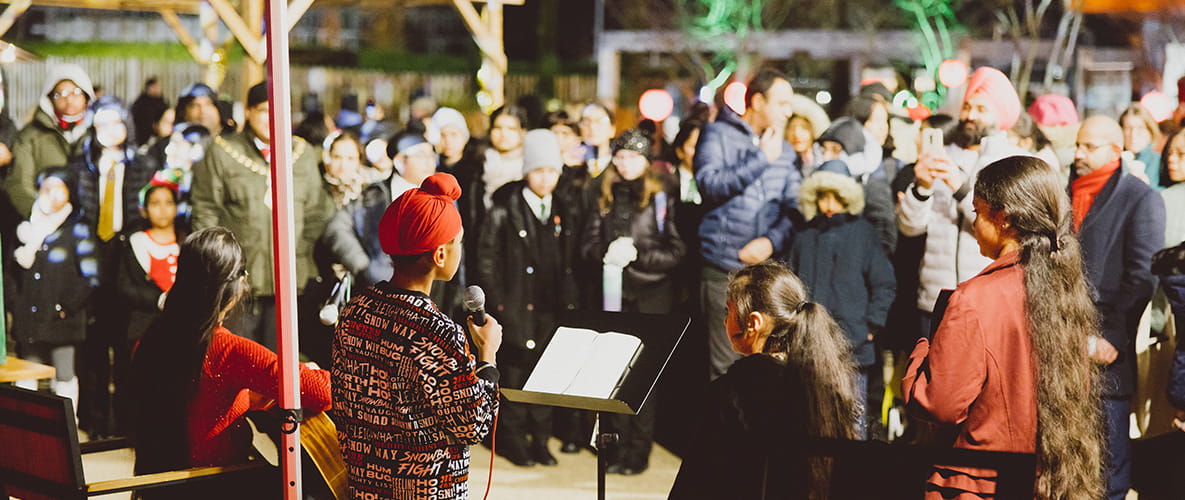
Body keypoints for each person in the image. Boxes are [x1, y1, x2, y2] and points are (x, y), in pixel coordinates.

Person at [904, 155, 1104, 499]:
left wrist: (921, 354)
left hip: (975, 484)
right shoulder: (1065, 289)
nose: (974, 221)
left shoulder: (974, 299)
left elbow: (940, 404)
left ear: (1005, 220)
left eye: (979, 212)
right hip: (1045, 481)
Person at [332, 173, 502, 500]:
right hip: (425, 491)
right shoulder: (434, 330)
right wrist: (487, 356)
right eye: (459, 242)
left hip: (365, 486)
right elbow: (473, 425)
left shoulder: (356, 310)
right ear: (439, 255)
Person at [130, 227, 332, 500]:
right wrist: (310, 371)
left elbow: (193, 402)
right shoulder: (226, 350)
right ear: (235, 285)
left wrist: (246, 397)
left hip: (159, 489)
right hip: (212, 485)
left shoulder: (150, 340)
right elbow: (323, 391)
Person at [669, 261, 860, 500]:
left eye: (728, 312)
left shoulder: (733, 391)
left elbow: (697, 482)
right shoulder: (831, 380)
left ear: (753, 323)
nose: (725, 321)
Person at [190, 81, 334, 350]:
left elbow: (317, 211)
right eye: (264, 111)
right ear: (247, 112)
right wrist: (222, 265)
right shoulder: (222, 152)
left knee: (284, 364)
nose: (272, 119)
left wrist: (298, 251)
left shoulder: (302, 154)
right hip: (238, 283)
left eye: (280, 110)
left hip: (292, 281)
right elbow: (205, 210)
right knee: (240, 361)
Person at [1069, 116, 1165, 500]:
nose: (1077, 154)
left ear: (1113, 150)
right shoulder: (1067, 192)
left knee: (1109, 468)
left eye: (1088, 147)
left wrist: (1112, 336)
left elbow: (1143, 276)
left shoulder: (1140, 197)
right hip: (1063, 343)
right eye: (1077, 145)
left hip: (1108, 351)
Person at [897, 67, 1030, 340]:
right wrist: (921, 186)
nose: (970, 115)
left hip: (988, 298)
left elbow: (1008, 227)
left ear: (1000, 113)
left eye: (981, 109)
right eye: (967, 106)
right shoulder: (942, 155)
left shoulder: (1016, 162)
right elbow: (910, 228)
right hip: (934, 296)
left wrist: (960, 188)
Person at [582, 128, 684, 474]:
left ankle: (639, 452)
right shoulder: (603, 193)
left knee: (645, 378)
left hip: (650, 297)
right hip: (613, 298)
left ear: (645, 160)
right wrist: (606, 254)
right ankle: (615, 446)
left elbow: (675, 251)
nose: (626, 164)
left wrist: (637, 256)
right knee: (613, 376)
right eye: (620, 156)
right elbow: (587, 244)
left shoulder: (660, 196)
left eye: (633, 157)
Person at [476, 129, 579, 467]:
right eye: (538, 170)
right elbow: (486, 257)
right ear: (526, 171)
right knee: (516, 374)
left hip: (550, 306)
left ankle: (542, 439)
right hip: (516, 304)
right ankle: (514, 439)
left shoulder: (561, 207)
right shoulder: (505, 206)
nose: (545, 178)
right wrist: (499, 302)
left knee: (546, 374)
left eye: (552, 171)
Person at [696, 68, 801, 381]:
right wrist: (760, 159)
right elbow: (709, 184)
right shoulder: (717, 134)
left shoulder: (786, 149)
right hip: (722, 267)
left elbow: (795, 208)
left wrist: (770, 241)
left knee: (767, 364)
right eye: (781, 103)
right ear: (757, 101)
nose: (789, 111)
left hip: (767, 273)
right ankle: (723, 430)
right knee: (725, 365)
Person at [789, 170, 895, 436]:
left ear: (847, 199)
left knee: (853, 420)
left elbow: (885, 283)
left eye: (835, 198)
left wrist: (871, 325)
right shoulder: (805, 235)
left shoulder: (863, 233)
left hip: (854, 343)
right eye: (822, 197)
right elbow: (790, 282)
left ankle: (852, 476)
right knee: (810, 420)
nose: (828, 205)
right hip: (810, 343)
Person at [8, 167, 99, 414]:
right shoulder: (26, 230)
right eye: (46, 189)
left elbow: (90, 277)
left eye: (59, 189)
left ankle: (68, 429)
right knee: (27, 374)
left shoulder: (77, 230)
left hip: (63, 320)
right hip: (30, 317)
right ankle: (25, 429)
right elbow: (11, 274)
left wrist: (65, 307)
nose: (52, 195)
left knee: (65, 374)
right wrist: (16, 304)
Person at [112, 177, 183, 435]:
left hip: (183, 327)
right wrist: (158, 300)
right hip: (145, 325)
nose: (162, 209)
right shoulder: (136, 243)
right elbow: (123, 287)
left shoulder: (187, 241)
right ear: (144, 209)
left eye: (168, 203)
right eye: (155, 203)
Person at [5, 63, 95, 218]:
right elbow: (19, 181)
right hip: (45, 222)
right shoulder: (31, 136)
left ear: (87, 94)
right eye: (60, 94)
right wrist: (40, 214)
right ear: (49, 99)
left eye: (76, 92)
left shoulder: (100, 133)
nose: (69, 100)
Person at [1119, 103, 1164, 188]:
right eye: (1128, 128)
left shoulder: (1160, 162)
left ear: (1150, 132)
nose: (1133, 134)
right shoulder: (1115, 161)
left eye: (1140, 128)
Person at [131, 77, 168, 146]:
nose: (158, 89)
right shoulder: (141, 103)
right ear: (149, 88)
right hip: (144, 137)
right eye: (155, 87)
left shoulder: (161, 101)